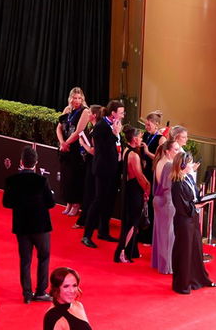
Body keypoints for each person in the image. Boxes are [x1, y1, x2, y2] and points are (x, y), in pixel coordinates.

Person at [2, 147, 55, 303]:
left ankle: (27, 294)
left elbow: (6, 203)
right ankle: (40, 291)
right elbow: (51, 204)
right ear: (36, 163)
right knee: (43, 257)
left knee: (25, 260)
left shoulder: (11, 181)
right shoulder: (42, 181)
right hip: (41, 227)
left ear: (21, 162)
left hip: (22, 227)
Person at [171, 150, 216, 294]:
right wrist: (197, 206)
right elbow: (182, 206)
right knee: (184, 251)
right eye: (190, 162)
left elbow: (194, 197)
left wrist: (202, 200)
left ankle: (199, 279)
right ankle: (183, 284)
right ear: (183, 165)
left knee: (196, 249)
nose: (193, 165)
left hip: (192, 219)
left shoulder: (189, 178)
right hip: (184, 221)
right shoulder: (177, 183)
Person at [82, 100, 125, 248]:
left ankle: (103, 231)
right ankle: (87, 235)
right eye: (121, 113)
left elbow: (118, 146)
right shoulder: (101, 126)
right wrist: (114, 134)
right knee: (98, 201)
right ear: (113, 113)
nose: (123, 115)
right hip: (102, 170)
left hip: (113, 169)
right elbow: (101, 150)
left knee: (109, 202)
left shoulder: (116, 126)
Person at [151, 126, 187, 275]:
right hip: (167, 201)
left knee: (159, 233)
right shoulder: (168, 165)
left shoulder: (159, 161)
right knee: (168, 235)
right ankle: (167, 267)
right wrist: (185, 172)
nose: (179, 153)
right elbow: (170, 186)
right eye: (176, 150)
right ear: (168, 151)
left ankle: (158, 263)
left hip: (158, 200)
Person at [114, 127, 151, 263]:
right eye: (140, 137)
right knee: (131, 223)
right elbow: (139, 176)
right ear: (135, 139)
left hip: (129, 189)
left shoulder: (126, 150)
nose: (141, 139)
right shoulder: (133, 155)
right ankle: (121, 252)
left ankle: (131, 251)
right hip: (134, 191)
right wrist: (148, 188)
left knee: (131, 223)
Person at [55, 88, 88, 217]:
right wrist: (62, 142)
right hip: (65, 148)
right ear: (70, 98)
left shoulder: (85, 111)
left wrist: (66, 143)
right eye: (75, 98)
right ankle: (68, 202)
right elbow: (58, 128)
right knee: (66, 177)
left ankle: (76, 204)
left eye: (79, 98)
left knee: (75, 177)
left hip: (76, 149)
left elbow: (78, 131)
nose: (77, 101)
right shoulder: (67, 110)